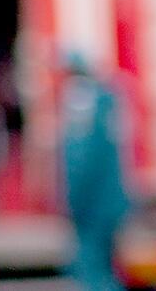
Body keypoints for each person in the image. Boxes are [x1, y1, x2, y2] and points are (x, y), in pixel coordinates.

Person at [60, 54, 130, 289]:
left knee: (93, 270)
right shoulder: (107, 100)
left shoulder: (83, 102)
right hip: (110, 201)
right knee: (105, 266)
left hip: (93, 206)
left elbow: (81, 162)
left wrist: (71, 200)